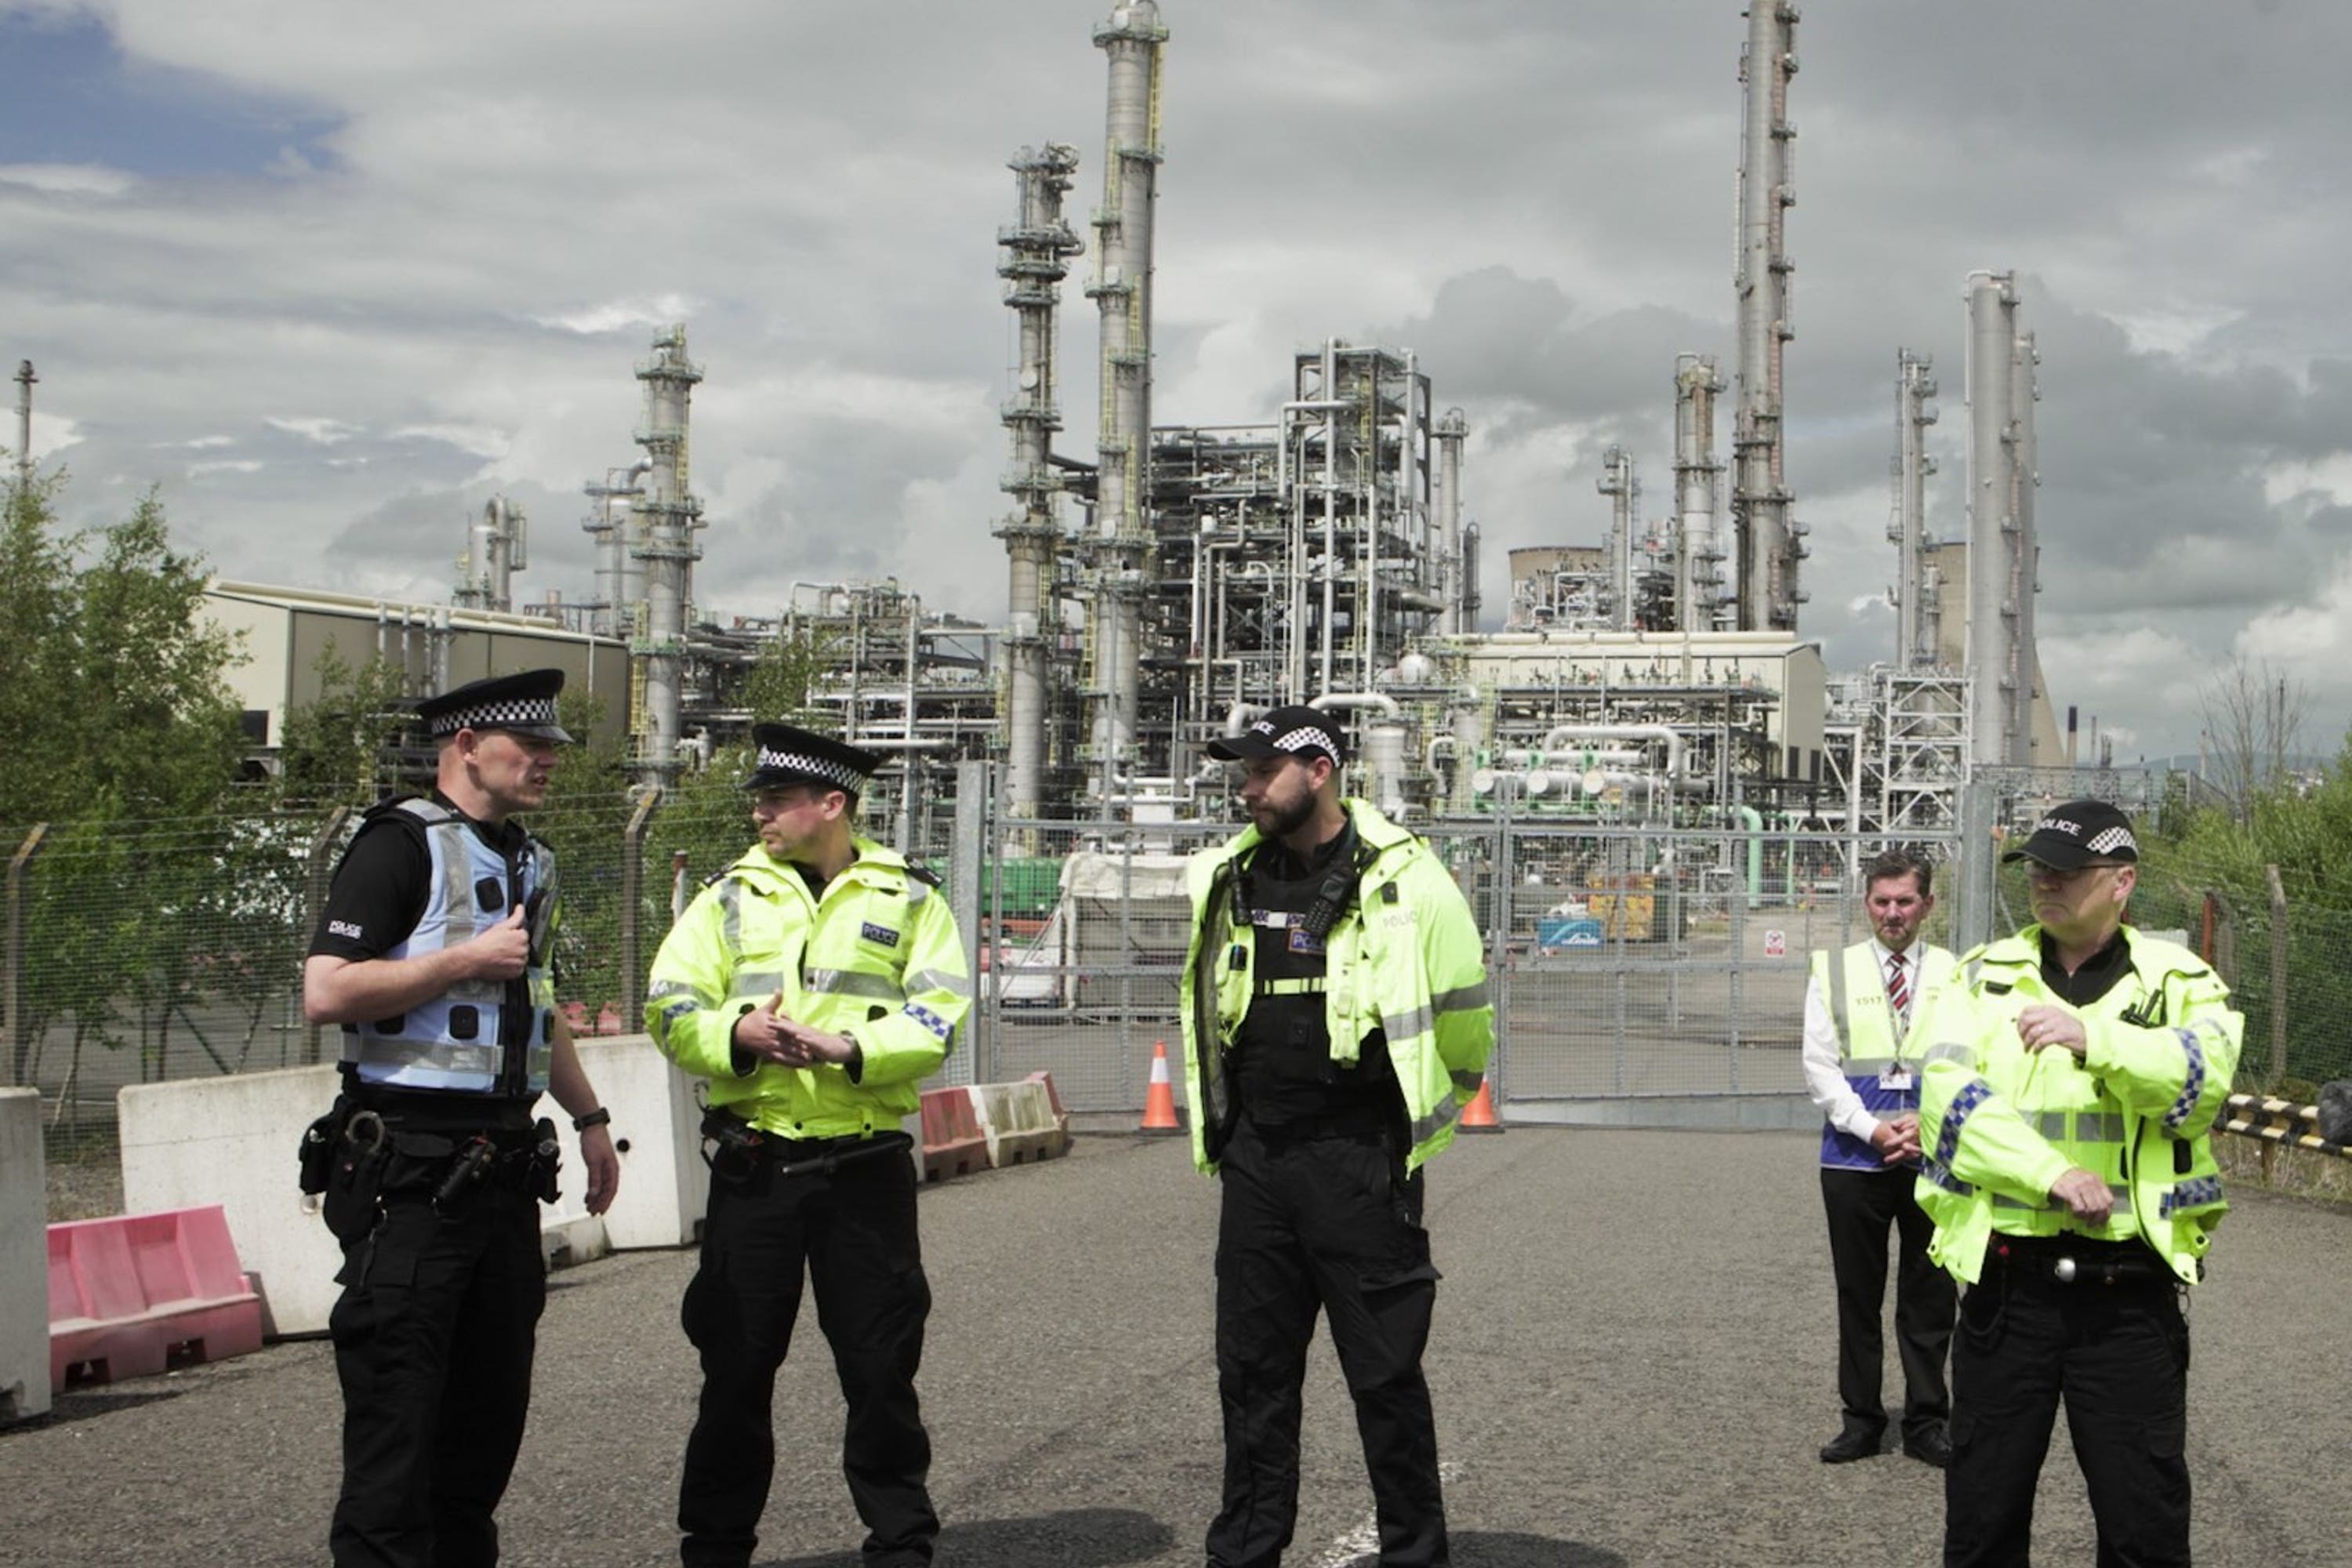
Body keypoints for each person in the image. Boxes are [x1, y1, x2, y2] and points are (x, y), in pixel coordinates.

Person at [302, 666, 622, 1568]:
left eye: (555, 745)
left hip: (502, 1176)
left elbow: (536, 1003)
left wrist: (590, 1116)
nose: (549, 759)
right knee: (397, 1428)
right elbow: (325, 990)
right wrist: (461, 958)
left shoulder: (528, 858)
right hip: (409, 1177)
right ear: (467, 745)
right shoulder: (398, 845)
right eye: (531, 744)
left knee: (483, 1430)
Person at [644, 722, 970, 1568]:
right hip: (757, 1165)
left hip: (864, 1167)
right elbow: (669, 1006)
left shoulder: (908, 896)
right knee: (736, 1371)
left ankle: (901, 1545)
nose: (761, 812)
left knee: (881, 1371)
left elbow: (939, 1016)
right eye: (759, 798)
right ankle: (714, 1547)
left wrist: (851, 1049)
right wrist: (739, 1032)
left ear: (832, 803)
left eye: (779, 799)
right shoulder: (725, 896)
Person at [1178, 705, 1494, 1568]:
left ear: (1317, 769)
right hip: (1257, 1158)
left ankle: (1413, 1552)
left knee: (1385, 1376)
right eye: (1241, 775)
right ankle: (1245, 1551)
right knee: (1251, 1373)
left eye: (1259, 773)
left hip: (1359, 1156)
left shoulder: (1408, 878)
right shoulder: (1230, 875)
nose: (1245, 790)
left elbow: (1466, 1019)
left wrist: (1419, 1119)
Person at [1913, 800, 2241, 1567]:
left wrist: (2097, 1038)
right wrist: (2050, 1170)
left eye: (2066, 868)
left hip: (2129, 1297)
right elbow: (1947, 1103)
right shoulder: (1983, 976)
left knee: (2143, 1526)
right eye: (2037, 867)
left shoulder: (2183, 982)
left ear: (2122, 881)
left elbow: (2201, 1086)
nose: (2045, 881)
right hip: (2006, 1292)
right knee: (1983, 1519)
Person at [1801, 848, 1958, 1468]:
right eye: (1881, 901)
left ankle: (1926, 1421)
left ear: (1927, 905)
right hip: (1853, 1158)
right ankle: (1861, 1419)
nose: (1893, 913)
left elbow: (1970, 1055)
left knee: (1930, 1297)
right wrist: (1871, 1129)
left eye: (1905, 901)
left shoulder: (1954, 970)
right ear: (1867, 903)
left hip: (1932, 1155)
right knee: (1857, 1296)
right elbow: (1819, 1065)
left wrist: (1929, 1123)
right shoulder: (1833, 970)